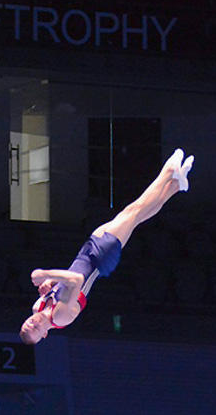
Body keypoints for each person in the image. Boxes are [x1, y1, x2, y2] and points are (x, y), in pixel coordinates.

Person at [18, 148, 193, 345]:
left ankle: (176, 185)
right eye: (35, 329)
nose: (33, 323)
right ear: (44, 334)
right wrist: (46, 274)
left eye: (28, 324)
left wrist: (51, 285)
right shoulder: (60, 317)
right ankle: (169, 171)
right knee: (133, 211)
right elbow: (76, 279)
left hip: (87, 253)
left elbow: (64, 285)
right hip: (100, 259)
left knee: (137, 216)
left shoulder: (37, 307)